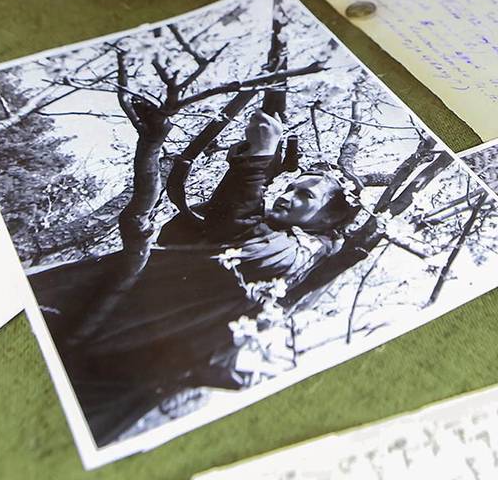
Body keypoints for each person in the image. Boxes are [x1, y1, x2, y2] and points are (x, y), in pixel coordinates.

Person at [32, 108, 363, 446]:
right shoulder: (275, 229)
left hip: (128, 356)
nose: (286, 195)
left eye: (306, 195)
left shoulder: (299, 252)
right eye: (290, 187)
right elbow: (209, 225)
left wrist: (259, 159)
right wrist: (249, 163)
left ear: (328, 218)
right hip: (110, 323)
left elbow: (239, 238)